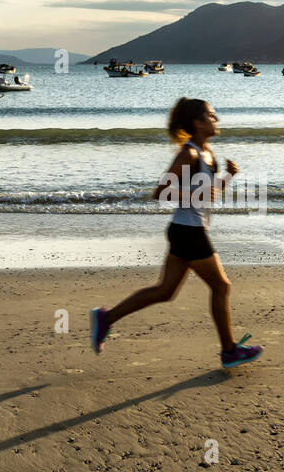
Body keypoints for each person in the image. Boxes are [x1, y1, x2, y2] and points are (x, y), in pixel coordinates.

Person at [91, 98, 262, 369]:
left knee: (165, 291)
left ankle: (107, 318)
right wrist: (197, 192)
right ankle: (228, 350)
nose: (217, 120)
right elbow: (161, 192)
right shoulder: (190, 153)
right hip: (189, 231)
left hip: (186, 230)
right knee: (221, 286)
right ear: (198, 122)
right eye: (212, 116)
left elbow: (208, 195)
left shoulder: (206, 153)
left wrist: (228, 177)